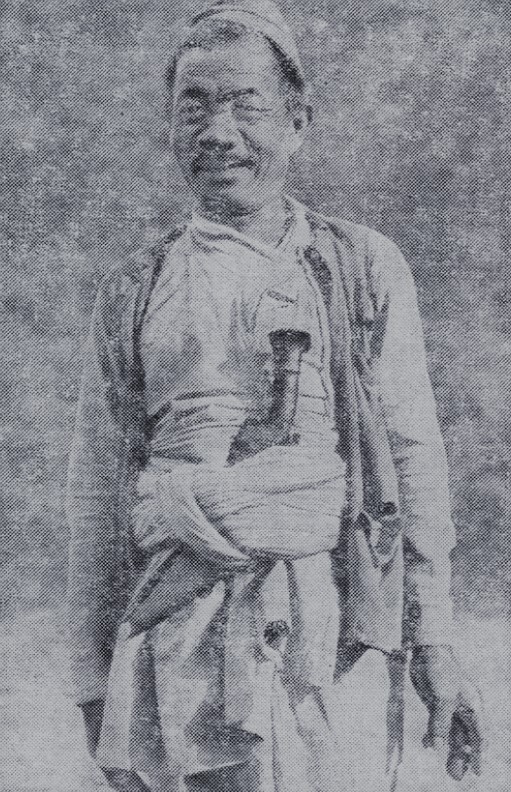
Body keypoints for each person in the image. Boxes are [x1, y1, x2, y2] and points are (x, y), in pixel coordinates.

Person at [67, 2, 483, 790]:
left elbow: (411, 456)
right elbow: (94, 492)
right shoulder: (134, 288)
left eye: (245, 106)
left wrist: (433, 644)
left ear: (296, 121)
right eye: (194, 106)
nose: (217, 132)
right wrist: (91, 682)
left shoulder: (359, 267)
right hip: (169, 631)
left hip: (331, 637)